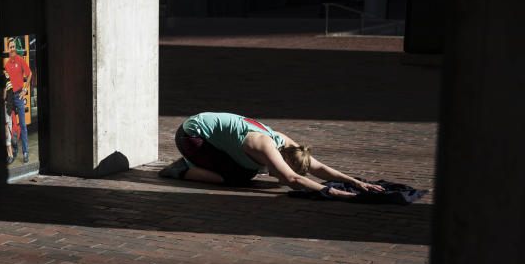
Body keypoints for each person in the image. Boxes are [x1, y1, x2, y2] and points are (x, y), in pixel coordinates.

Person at [159, 112, 386, 198]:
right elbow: (293, 179)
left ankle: (198, 166)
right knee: (238, 177)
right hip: (192, 136)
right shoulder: (263, 146)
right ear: (284, 161)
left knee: (247, 171)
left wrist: (356, 183)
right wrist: (333, 192)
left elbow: (318, 168)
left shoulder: (288, 145)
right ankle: (182, 170)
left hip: (209, 132)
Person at [4, 38, 32, 163]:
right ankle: (14, 152)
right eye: (10, 47)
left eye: (14, 46)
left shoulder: (20, 60)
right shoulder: (6, 65)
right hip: (10, 98)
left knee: (23, 126)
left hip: (19, 96)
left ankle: (25, 152)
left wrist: (25, 90)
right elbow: (6, 84)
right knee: (12, 126)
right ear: (8, 49)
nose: (13, 49)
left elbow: (29, 74)